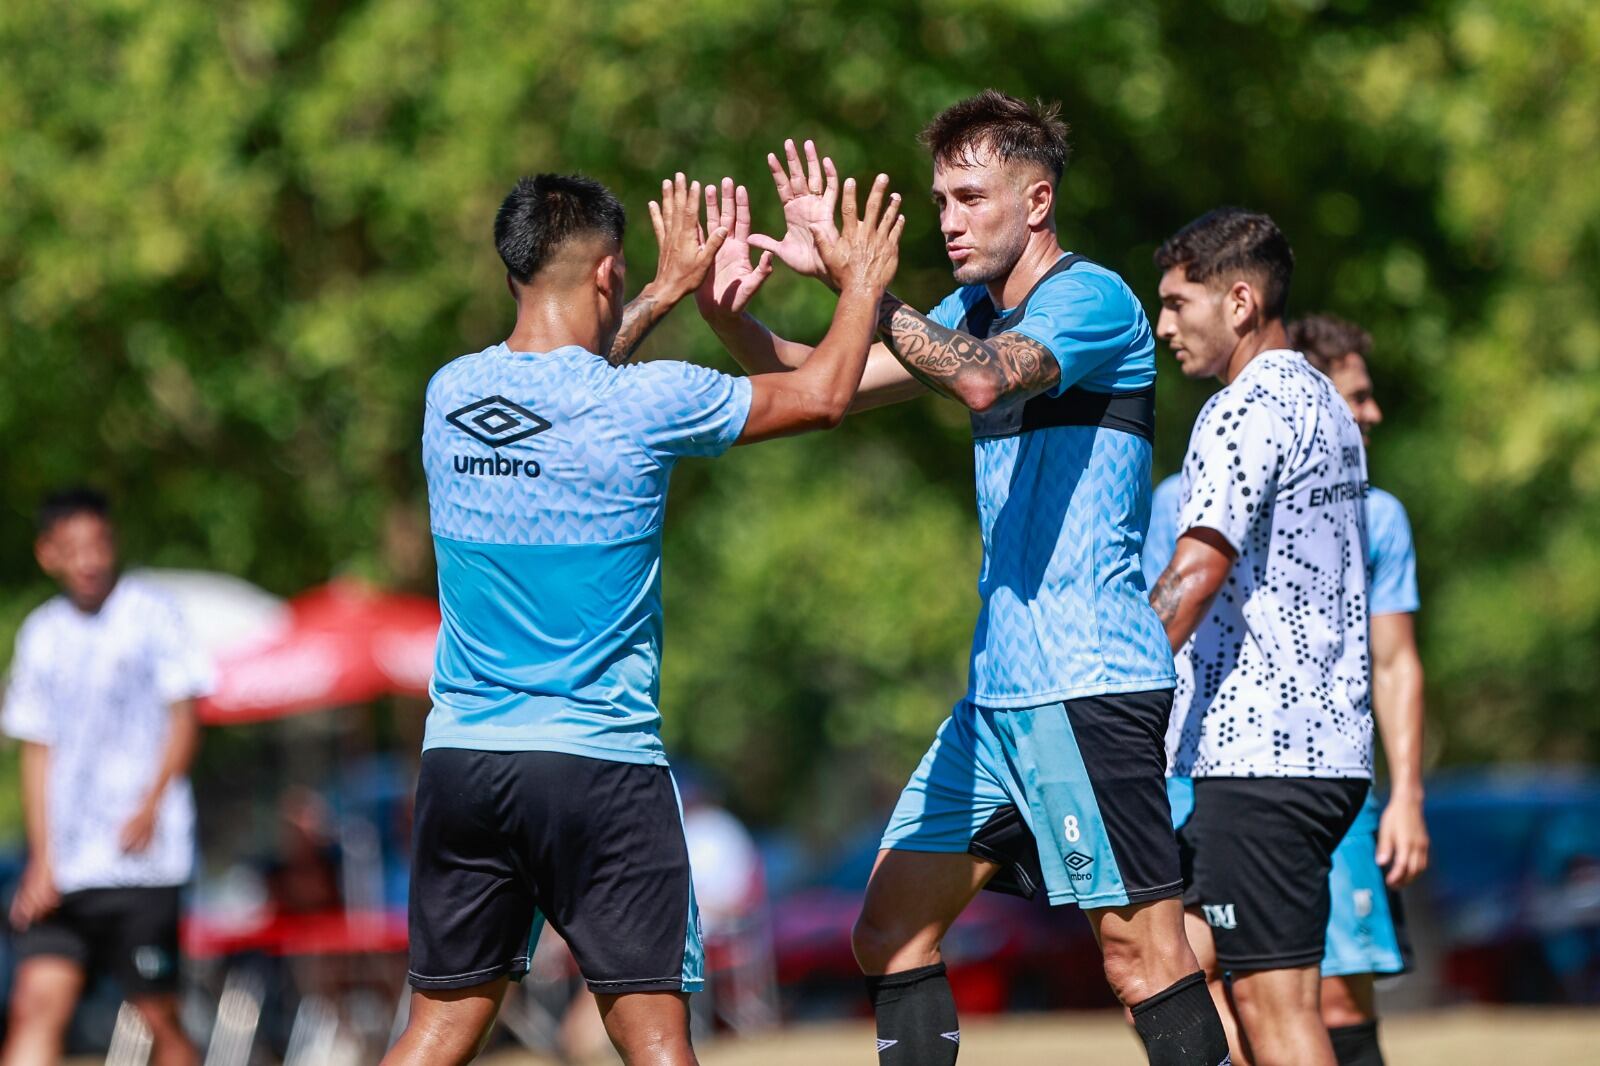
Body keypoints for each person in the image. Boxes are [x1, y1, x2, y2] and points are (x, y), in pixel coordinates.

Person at [696, 90, 1229, 1065]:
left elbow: (982, 375)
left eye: (968, 196)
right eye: (938, 197)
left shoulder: (1091, 298)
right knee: (890, 929)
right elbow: (827, 382)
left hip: (1086, 687)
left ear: (1034, 202)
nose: (946, 217)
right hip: (998, 702)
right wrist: (729, 317)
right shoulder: (965, 311)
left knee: (1139, 956)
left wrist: (866, 285)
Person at [381, 169, 904, 1066]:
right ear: (605, 272)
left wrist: (657, 290)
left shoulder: (448, 398)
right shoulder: (650, 401)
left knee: (436, 1033)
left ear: (512, 270)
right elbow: (821, 397)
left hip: (464, 761)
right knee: (658, 1045)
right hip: (598, 767)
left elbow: (564, 382)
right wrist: (859, 281)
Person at [1145, 312, 1429, 1065]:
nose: (1366, 413)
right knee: (1179, 971)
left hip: (1310, 770)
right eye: (1354, 395)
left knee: (1326, 993)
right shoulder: (1184, 496)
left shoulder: (1379, 516)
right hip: (1206, 766)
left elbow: (1396, 662)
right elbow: (1164, 621)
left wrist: (1407, 797)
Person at [2, 488, 210, 1066]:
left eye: (98, 544)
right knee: (34, 1004)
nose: (90, 560)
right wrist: (42, 859)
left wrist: (150, 805)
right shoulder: (40, 633)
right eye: (73, 548)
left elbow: (185, 718)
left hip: (145, 861)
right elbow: (36, 750)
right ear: (48, 554)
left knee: (156, 1013)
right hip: (67, 869)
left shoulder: (153, 612)